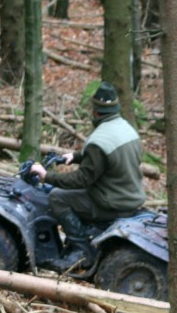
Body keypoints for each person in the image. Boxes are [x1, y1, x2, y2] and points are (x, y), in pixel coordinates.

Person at [30, 81, 146, 270]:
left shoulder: (98, 140)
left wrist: (46, 176)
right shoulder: (126, 128)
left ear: (95, 111)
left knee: (57, 197)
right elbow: (110, 158)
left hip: (113, 202)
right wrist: (75, 156)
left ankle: (81, 250)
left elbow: (82, 179)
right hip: (130, 195)